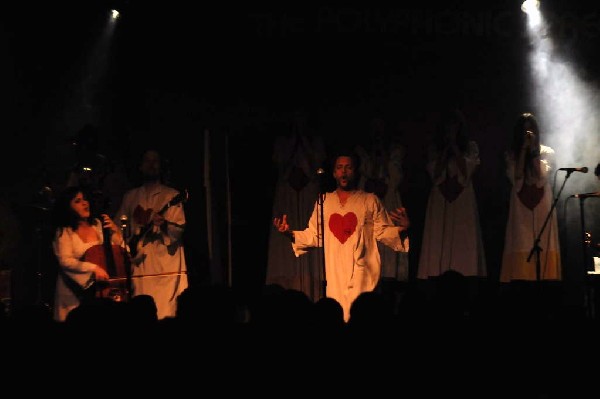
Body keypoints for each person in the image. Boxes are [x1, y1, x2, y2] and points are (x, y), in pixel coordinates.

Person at [273, 150, 410, 322]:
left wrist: (402, 229)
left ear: (355, 171)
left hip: (363, 270)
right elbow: (315, 235)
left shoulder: (369, 200)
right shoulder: (324, 201)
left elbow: (382, 231)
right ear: (334, 172)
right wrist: (289, 233)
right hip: (336, 272)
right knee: (339, 314)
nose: (344, 172)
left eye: (348, 167)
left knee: (359, 314)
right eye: (339, 167)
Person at [115, 148, 188, 320]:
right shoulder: (131, 196)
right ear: (140, 166)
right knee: (142, 314)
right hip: (141, 264)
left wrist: (163, 225)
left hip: (165, 265)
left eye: (155, 161)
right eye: (148, 161)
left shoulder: (172, 195)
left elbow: (178, 230)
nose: (152, 165)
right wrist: (127, 241)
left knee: (165, 311)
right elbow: (120, 228)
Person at [417, 108, 487, 283]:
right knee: (440, 238)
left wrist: (455, 148)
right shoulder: (435, 149)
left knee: (461, 240)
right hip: (441, 198)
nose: (451, 129)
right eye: (448, 126)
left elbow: (467, 171)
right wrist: (445, 149)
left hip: (462, 198)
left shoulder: (470, 147)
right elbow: (435, 173)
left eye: (454, 126)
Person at [266, 109, 327, 303]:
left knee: (310, 236)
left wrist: (304, 138)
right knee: (285, 241)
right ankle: (285, 294)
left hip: (308, 195)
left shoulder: (315, 141)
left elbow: (318, 162)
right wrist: (294, 138)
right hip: (288, 196)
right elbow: (279, 160)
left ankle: (311, 293)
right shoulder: (283, 141)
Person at [500, 112, 561, 282]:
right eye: (524, 131)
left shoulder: (547, 152)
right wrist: (524, 150)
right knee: (522, 242)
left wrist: (534, 151)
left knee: (543, 245)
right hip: (521, 207)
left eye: (531, 130)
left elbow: (542, 174)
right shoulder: (512, 155)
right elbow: (516, 176)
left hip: (542, 204)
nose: (528, 134)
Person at [51, 186, 123, 322]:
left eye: (85, 199)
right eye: (77, 201)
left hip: (99, 289)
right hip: (73, 292)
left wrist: (114, 230)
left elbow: (120, 250)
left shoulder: (97, 224)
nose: (85, 203)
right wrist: (93, 268)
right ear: (68, 207)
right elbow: (65, 261)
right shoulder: (64, 231)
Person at [355, 117, 410, 285]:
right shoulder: (363, 153)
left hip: (389, 202)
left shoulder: (396, 152)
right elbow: (366, 176)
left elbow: (395, 178)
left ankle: (389, 281)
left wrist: (383, 157)